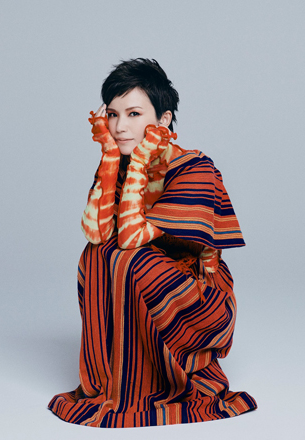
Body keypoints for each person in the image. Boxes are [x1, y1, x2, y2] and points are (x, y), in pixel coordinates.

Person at [48, 58, 257, 427]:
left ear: (163, 119)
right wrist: (109, 158)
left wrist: (140, 158)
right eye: (113, 115)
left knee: (128, 259)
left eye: (133, 114)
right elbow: (97, 233)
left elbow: (131, 239)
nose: (119, 127)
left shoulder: (195, 169)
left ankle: (148, 387)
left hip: (201, 303)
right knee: (95, 255)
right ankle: (114, 382)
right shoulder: (121, 165)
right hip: (147, 277)